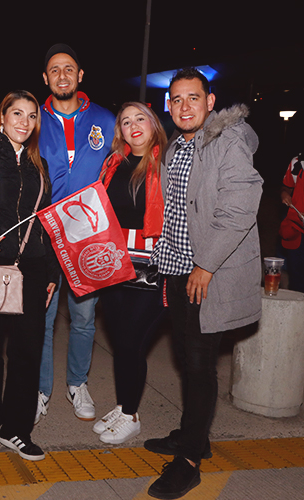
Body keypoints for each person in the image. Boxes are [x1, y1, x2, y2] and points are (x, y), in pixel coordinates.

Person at [0, 44, 115, 425]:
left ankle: (77, 383)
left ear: (80, 75)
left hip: (87, 234)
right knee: (42, 319)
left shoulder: (105, 120)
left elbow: (125, 160)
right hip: (42, 235)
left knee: (83, 317)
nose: (62, 75)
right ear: (45, 78)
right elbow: (4, 157)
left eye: (69, 68)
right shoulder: (35, 120)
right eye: (54, 70)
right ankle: (40, 389)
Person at [145, 68, 262, 499]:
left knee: (198, 365)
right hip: (177, 270)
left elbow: (239, 208)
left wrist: (206, 266)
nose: (184, 106)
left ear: (210, 102)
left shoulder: (228, 142)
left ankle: (190, 460)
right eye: (176, 99)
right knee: (186, 357)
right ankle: (195, 434)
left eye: (193, 98)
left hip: (206, 275)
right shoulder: (177, 145)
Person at [0, 90, 59, 461]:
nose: (24, 121)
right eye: (17, 113)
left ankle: (17, 429)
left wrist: (52, 269)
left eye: (31, 115)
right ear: (2, 117)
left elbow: (46, 220)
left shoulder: (40, 164)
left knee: (28, 350)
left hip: (33, 266)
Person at [93, 102, 167, 445]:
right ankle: (123, 406)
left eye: (140, 118)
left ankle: (131, 415)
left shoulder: (166, 164)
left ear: (153, 124)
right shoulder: (113, 163)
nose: (133, 125)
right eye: (125, 121)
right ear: (119, 130)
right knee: (121, 341)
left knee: (132, 342)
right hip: (115, 263)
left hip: (152, 266)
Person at [279, 154, 304, 292]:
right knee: (296, 278)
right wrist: (284, 193)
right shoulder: (297, 163)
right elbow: (286, 187)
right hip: (296, 229)